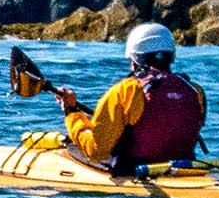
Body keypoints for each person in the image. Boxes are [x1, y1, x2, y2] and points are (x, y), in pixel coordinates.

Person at [55, 23, 207, 170]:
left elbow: (96, 151)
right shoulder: (194, 90)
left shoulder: (127, 90)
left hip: (135, 169)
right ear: (171, 56)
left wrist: (71, 112)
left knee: (72, 148)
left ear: (134, 59)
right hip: (184, 167)